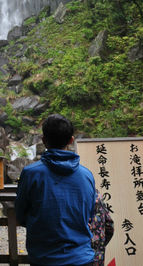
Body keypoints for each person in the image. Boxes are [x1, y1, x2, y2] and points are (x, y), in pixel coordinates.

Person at [15, 114, 96, 266]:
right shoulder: (87, 176)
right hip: (81, 259)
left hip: (44, 259)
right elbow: (89, 215)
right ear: (71, 140)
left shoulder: (31, 174)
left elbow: (20, 214)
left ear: (44, 140)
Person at [90, 190, 114, 266]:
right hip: (96, 258)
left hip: (70, 256)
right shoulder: (96, 194)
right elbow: (109, 225)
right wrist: (99, 246)